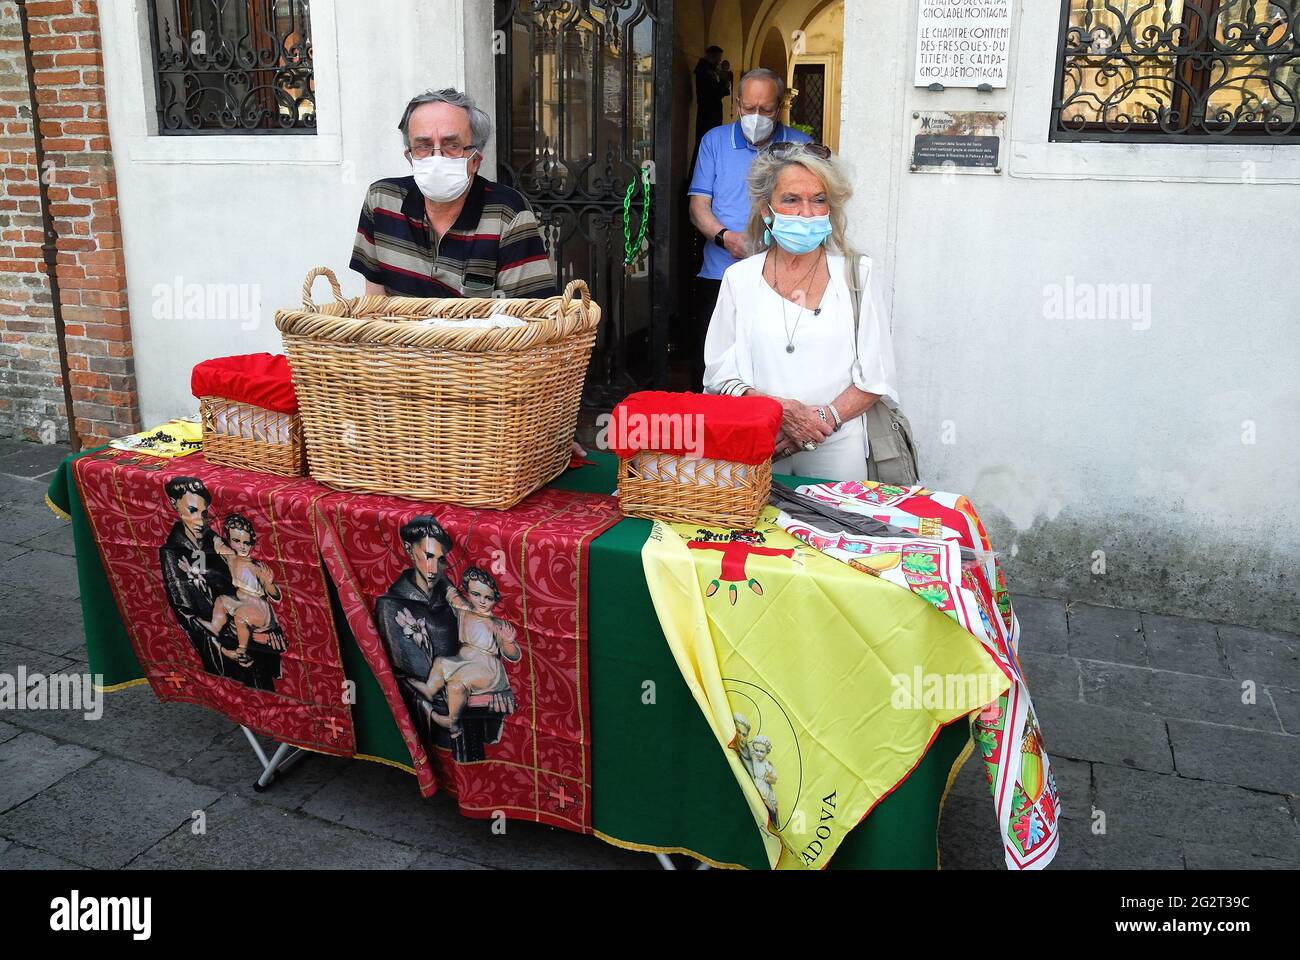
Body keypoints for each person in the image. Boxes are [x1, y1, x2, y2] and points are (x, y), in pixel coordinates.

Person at [703, 143, 899, 483]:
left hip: (838, 450)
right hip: (760, 446)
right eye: (791, 200)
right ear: (767, 211)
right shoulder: (740, 278)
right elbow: (719, 374)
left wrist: (820, 419)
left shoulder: (857, 275)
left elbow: (875, 376)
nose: (807, 213)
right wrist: (780, 414)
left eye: (818, 200)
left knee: (834, 534)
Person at [351, 88, 557, 299]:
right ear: (410, 157)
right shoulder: (382, 200)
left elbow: (532, 314)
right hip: (400, 332)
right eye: (423, 146)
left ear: (475, 160)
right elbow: (374, 303)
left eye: (452, 146)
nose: (436, 157)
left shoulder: (508, 213)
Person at [687, 68, 811, 389]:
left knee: (774, 371)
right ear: (738, 104)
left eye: (765, 110)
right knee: (716, 369)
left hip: (782, 279)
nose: (756, 116)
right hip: (719, 274)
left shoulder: (801, 147)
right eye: (749, 108)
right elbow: (698, 206)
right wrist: (725, 237)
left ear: (780, 106)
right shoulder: (714, 141)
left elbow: (812, 209)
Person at [419, 567, 520, 745]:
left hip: (486, 670)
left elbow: (513, 656)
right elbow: (450, 591)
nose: (481, 601)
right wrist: (438, 571)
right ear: (468, 592)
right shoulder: (464, 609)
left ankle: (451, 722)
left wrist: (508, 641)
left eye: (488, 598)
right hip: (463, 662)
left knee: (459, 680)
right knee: (443, 667)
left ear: (495, 599)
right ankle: (432, 696)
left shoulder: (497, 624)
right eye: (476, 594)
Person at [199, 513, 284, 669]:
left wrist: (268, 582)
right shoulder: (231, 556)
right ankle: (215, 627)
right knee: (221, 601)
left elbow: (276, 595)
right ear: (230, 541)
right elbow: (216, 542)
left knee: (241, 615)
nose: (242, 546)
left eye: (246, 542)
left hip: (259, 610)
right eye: (236, 541)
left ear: (252, 542)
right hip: (240, 602)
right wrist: (206, 526)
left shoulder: (256, 566)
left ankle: (242, 649)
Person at [693, 46, 730, 148]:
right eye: (718, 58)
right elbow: (711, 92)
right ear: (712, 57)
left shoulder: (708, 70)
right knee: (706, 141)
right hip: (708, 113)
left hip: (710, 111)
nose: (719, 61)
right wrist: (723, 83)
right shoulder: (704, 71)